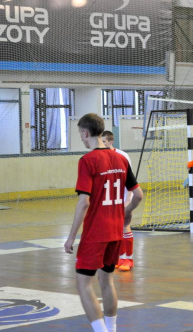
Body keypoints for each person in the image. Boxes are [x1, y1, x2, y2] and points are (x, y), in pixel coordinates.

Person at [64, 113, 143, 332]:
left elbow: (83, 202)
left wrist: (71, 237)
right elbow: (138, 196)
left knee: (83, 284)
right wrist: (126, 213)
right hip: (116, 231)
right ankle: (112, 329)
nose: (81, 138)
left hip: (96, 233)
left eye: (80, 134)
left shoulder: (87, 160)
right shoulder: (120, 159)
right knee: (106, 280)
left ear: (86, 133)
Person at [101, 130, 135, 272]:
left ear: (111, 142)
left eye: (104, 142)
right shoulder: (101, 156)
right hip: (111, 199)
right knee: (115, 229)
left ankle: (129, 259)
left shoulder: (122, 156)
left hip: (124, 197)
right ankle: (120, 257)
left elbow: (130, 179)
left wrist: (128, 199)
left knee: (124, 226)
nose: (102, 145)